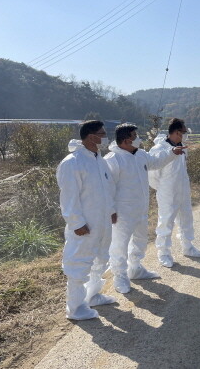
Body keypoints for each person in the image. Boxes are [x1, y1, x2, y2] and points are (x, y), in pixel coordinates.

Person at [56, 120, 117, 320]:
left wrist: (112, 210)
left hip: (102, 222)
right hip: (85, 225)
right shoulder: (72, 162)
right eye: (102, 133)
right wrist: (76, 223)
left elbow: (107, 190)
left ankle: (93, 295)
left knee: (100, 259)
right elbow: (68, 197)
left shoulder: (99, 159)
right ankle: (75, 308)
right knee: (79, 264)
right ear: (92, 136)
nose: (105, 137)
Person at [104, 123, 175, 294]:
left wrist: (172, 153)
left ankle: (135, 269)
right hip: (122, 213)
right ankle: (120, 276)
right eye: (135, 135)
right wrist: (111, 210)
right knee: (119, 245)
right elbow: (107, 188)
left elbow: (156, 163)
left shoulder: (141, 155)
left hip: (141, 209)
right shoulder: (113, 159)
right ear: (126, 140)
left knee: (140, 240)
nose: (138, 138)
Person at [148, 118, 200, 268]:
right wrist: (163, 188)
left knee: (186, 217)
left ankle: (188, 246)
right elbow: (152, 174)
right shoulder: (159, 149)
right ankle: (163, 252)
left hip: (183, 189)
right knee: (166, 220)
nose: (186, 135)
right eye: (184, 132)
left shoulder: (182, 147)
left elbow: (182, 168)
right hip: (167, 191)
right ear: (177, 132)